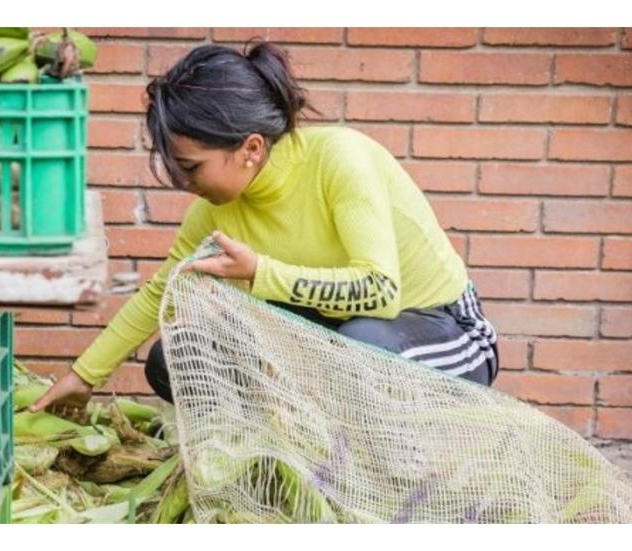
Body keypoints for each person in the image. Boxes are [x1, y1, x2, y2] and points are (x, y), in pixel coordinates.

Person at [30, 41, 499, 415]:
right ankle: (279, 467)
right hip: (337, 342)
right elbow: (162, 292)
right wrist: (85, 375)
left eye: (192, 167)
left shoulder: (340, 160)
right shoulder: (217, 206)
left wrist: (260, 273)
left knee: (362, 347)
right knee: (177, 356)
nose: (183, 183)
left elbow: (380, 293)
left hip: (442, 331)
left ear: (251, 148)